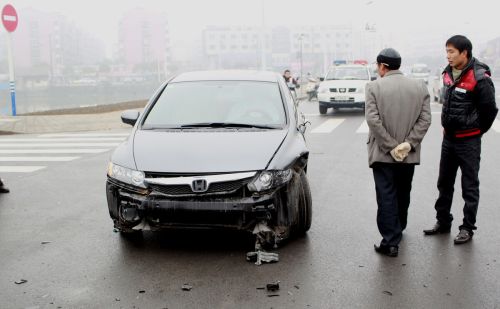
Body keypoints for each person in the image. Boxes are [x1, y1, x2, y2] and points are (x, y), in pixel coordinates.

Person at [423, 35, 498, 244]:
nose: (448, 56)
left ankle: (467, 227)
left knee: (469, 186)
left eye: (451, 52)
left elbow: (490, 110)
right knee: (444, 183)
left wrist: (476, 131)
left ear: (464, 53)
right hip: (449, 140)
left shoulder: (480, 77)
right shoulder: (447, 73)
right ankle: (443, 221)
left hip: (469, 141)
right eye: (446, 51)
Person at [366, 48, 431, 257]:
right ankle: (399, 228)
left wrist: (390, 146)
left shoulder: (374, 87)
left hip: (383, 154)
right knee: (403, 192)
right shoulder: (419, 86)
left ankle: (390, 241)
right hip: (408, 155)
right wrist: (408, 145)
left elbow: (373, 120)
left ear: (382, 66)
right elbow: (425, 119)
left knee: (386, 195)